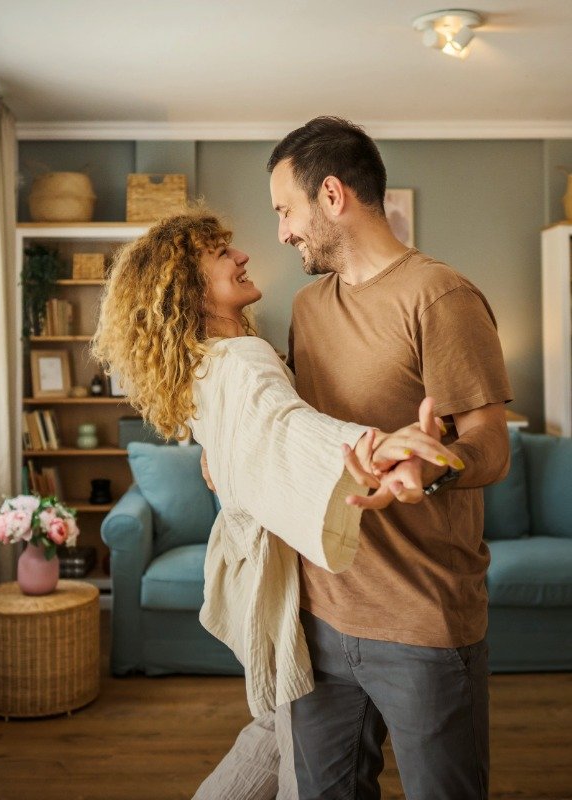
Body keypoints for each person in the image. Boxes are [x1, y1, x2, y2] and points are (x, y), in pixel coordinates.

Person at [90, 209, 462, 800]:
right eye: (221, 254)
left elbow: (254, 431)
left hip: (253, 563)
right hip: (274, 570)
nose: (242, 256)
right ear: (187, 287)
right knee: (298, 763)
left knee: (278, 726)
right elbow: (285, 425)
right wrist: (375, 445)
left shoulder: (214, 356)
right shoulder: (241, 360)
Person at [265, 116, 513, 800]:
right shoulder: (308, 308)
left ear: (334, 196)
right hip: (321, 613)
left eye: (287, 209)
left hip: (424, 622)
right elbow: (295, 432)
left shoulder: (440, 295)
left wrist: (430, 467)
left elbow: (493, 443)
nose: (283, 231)